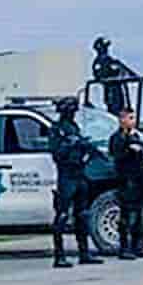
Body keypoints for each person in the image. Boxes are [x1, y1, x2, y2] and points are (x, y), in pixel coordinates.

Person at [49, 96, 101, 267]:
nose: (73, 113)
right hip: (66, 176)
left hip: (79, 174)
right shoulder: (57, 129)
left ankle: (84, 253)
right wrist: (69, 145)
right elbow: (56, 154)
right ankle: (59, 255)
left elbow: (83, 148)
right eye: (70, 110)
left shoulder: (73, 127)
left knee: (82, 215)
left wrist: (86, 147)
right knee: (62, 216)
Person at [108, 107, 143, 258]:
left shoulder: (136, 136)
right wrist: (129, 148)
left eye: (133, 118)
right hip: (126, 180)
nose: (132, 122)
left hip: (139, 179)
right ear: (122, 120)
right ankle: (124, 248)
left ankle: (138, 246)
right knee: (127, 214)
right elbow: (117, 156)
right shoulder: (117, 138)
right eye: (130, 118)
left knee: (140, 214)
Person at [90, 37, 137, 117]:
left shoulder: (112, 61)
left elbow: (131, 74)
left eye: (105, 48)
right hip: (111, 91)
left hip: (117, 91)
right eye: (103, 48)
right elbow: (98, 76)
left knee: (121, 110)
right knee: (114, 111)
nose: (104, 50)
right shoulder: (99, 63)